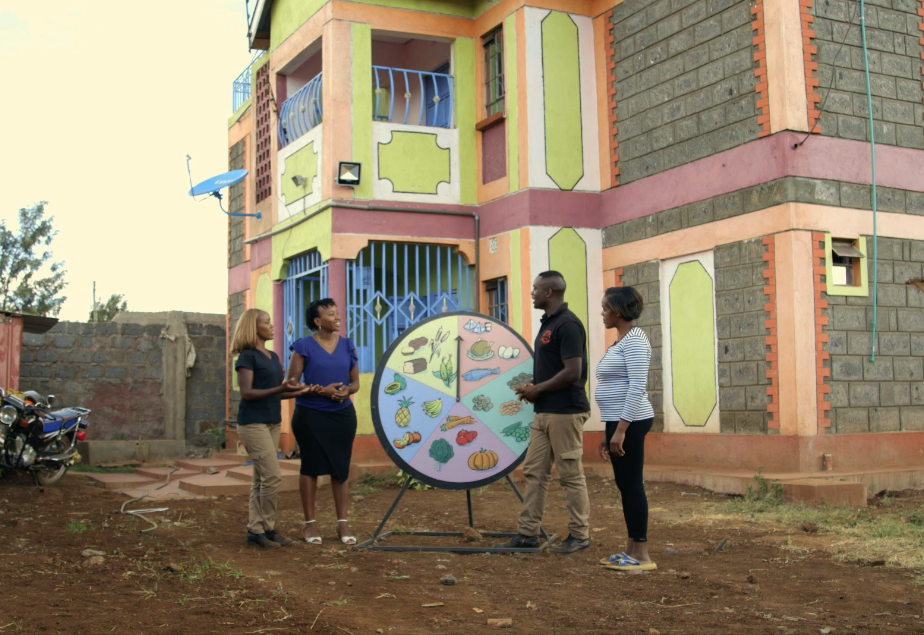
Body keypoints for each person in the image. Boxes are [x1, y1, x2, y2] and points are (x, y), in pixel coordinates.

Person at [496, 271, 593, 554]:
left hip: (565, 413)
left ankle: (579, 535)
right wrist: (535, 388)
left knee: (570, 475)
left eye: (536, 288)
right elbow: (556, 369)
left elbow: (573, 371)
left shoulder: (568, 324)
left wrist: (539, 389)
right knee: (535, 472)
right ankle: (527, 533)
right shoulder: (549, 323)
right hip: (544, 412)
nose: (532, 293)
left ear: (549, 292)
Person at [232, 308, 315, 549]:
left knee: (261, 478)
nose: (272, 326)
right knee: (272, 476)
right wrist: (280, 389)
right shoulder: (247, 357)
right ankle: (263, 528)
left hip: (272, 422)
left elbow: (278, 393)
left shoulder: (274, 356)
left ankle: (258, 531)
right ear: (253, 327)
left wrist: (304, 389)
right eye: (266, 322)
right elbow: (247, 394)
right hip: (252, 423)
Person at [286, 299, 360, 546]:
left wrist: (345, 392)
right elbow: (292, 385)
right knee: (311, 467)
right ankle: (310, 524)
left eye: (337, 313)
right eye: (331, 314)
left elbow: (355, 384)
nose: (337, 317)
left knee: (341, 468)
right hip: (311, 415)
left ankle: (342, 523)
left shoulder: (348, 345)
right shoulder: (303, 346)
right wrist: (322, 392)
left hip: (342, 415)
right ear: (317, 322)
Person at [595, 287, 657, 572]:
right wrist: (608, 433)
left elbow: (636, 387)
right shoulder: (621, 342)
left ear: (617, 312)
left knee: (632, 484)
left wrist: (620, 431)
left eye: (605, 308)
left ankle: (642, 554)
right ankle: (631, 549)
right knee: (625, 485)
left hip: (630, 421)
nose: (602, 313)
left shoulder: (635, 341)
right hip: (617, 422)